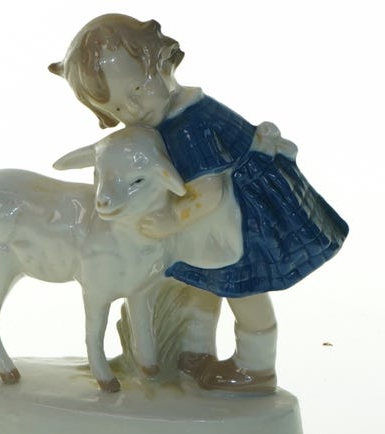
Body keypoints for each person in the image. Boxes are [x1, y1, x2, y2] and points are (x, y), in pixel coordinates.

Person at [48, 14, 348, 394]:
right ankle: (194, 351)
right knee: (202, 282)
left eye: (138, 89)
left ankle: (256, 367)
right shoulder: (165, 117)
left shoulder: (189, 126)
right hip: (211, 220)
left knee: (244, 289)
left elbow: (211, 192)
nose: (134, 110)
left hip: (243, 216)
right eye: (119, 109)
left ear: (163, 64)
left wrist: (172, 219)